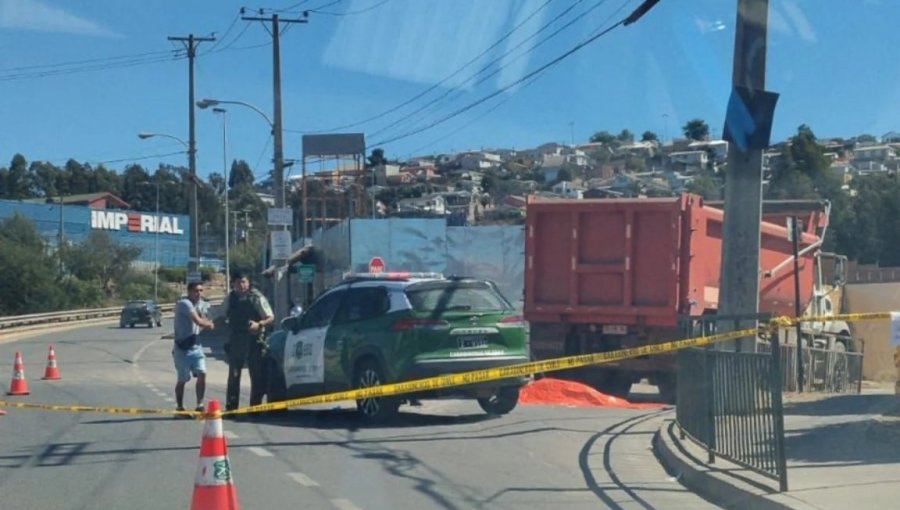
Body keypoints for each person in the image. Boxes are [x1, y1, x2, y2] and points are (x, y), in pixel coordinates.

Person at [224, 271, 274, 411]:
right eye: (238, 282)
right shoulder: (231, 298)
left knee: (256, 375)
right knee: (234, 375)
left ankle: (255, 408)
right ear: (233, 284)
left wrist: (259, 324)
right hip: (236, 340)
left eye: (244, 281)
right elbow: (220, 315)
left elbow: (270, 317)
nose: (241, 285)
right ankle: (231, 407)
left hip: (254, 340)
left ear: (248, 282)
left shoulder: (256, 297)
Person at [173, 281, 215, 415]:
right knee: (183, 379)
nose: (198, 294)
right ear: (189, 292)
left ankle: (200, 404)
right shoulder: (185, 304)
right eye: (196, 291)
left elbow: (202, 321)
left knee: (202, 373)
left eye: (201, 291)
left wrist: (208, 322)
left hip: (196, 345)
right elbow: (197, 321)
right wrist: (209, 324)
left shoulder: (199, 305)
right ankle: (180, 407)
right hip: (182, 348)